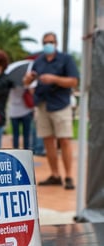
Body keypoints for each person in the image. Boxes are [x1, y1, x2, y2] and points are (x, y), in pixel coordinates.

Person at [23, 32, 79, 190]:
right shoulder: (38, 61)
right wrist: (28, 79)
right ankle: (55, 175)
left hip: (60, 105)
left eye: (51, 42)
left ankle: (68, 176)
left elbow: (73, 81)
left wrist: (54, 79)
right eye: (46, 42)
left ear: (56, 43)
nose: (48, 44)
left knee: (65, 140)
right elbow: (27, 83)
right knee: (48, 142)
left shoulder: (66, 59)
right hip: (42, 104)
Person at [8, 85, 34, 149]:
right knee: (26, 134)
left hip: (15, 112)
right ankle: (26, 150)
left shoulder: (9, 85)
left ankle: (16, 150)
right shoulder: (26, 85)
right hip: (24, 111)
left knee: (16, 134)